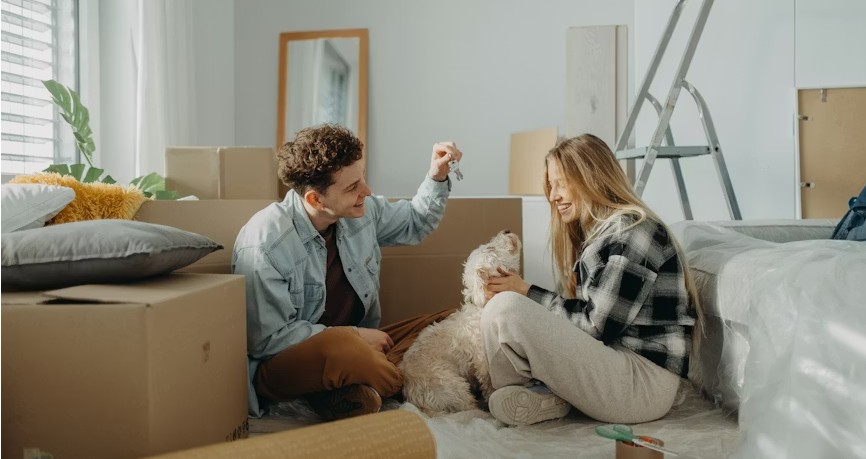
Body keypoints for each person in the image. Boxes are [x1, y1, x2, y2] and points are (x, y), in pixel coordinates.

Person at [233, 124, 462, 420]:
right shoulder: (266, 242)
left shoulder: (360, 212)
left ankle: (351, 391)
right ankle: (403, 381)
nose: (366, 191)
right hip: (290, 363)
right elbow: (267, 339)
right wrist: (354, 336)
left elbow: (415, 222)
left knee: (452, 321)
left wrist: (436, 175)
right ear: (315, 199)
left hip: (362, 345)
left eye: (362, 178)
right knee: (345, 350)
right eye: (352, 187)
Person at [482, 133, 700, 426]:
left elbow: (596, 327)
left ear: (592, 178)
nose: (553, 196)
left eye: (560, 183)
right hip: (615, 363)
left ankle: (528, 388)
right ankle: (536, 395)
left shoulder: (633, 233)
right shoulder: (602, 235)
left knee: (506, 308)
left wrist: (525, 291)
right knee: (496, 308)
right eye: (551, 185)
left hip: (641, 383)